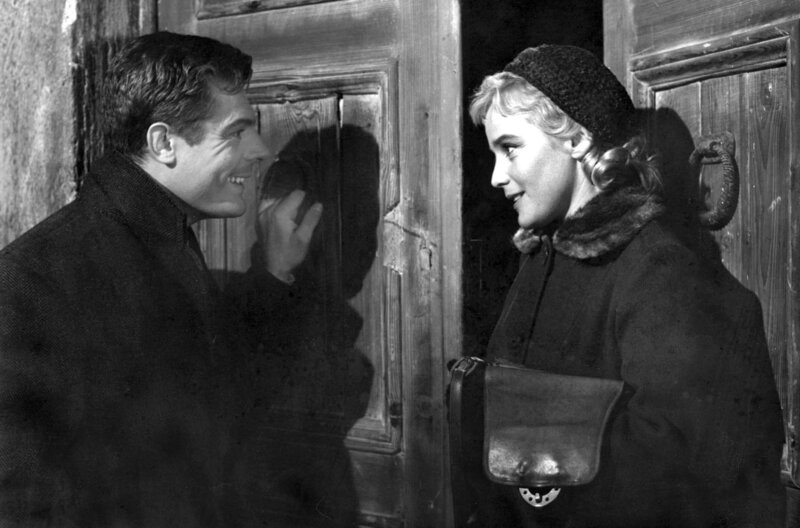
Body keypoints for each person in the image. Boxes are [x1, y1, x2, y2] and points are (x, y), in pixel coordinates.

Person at [0, 31, 322, 526]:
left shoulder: (162, 240)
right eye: (237, 132)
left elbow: (211, 404)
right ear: (163, 142)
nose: (260, 149)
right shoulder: (27, 284)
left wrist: (275, 273)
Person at [463, 44, 786, 527]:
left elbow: (677, 469)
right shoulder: (541, 256)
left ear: (576, 139)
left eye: (510, 148)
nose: (495, 177)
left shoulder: (660, 269)